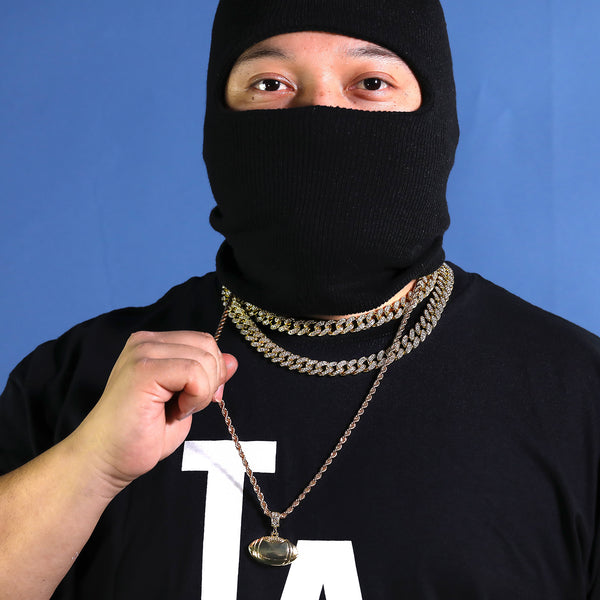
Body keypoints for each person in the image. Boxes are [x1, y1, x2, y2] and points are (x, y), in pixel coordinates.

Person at [1, 1, 600, 599]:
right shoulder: (79, 378)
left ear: (436, 116)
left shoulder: (577, 393)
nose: (320, 115)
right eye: (271, 84)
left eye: (371, 83)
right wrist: (91, 466)